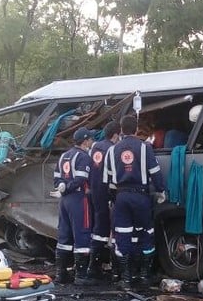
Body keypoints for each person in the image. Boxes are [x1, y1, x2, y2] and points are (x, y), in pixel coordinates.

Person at [103, 114, 166, 291]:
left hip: (121, 198)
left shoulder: (112, 150)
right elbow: (155, 172)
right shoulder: (145, 148)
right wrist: (161, 190)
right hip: (141, 197)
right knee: (146, 233)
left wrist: (113, 198)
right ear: (136, 127)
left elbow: (108, 180)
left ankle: (126, 278)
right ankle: (144, 275)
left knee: (122, 235)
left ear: (121, 129)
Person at [52, 128, 98, 286]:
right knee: (82, 234)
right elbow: (81, 179)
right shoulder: (84, 157)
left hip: (64, 200)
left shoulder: (64, 156)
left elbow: (56, 179)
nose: (92, 142)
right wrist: (71, 186)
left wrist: (63, 187)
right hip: (79, 199)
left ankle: (61, 273)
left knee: (64, 235)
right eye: (90, 139)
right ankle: (81, 275)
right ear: (85, 141)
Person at [87, 120, 121, 281]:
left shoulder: (94, 147)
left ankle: (94, 266)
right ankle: (115, 270)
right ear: (116, 135)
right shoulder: (113, 149)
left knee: (98, 229)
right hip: (108, 193)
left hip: (94, 192)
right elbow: (114, 174)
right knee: (114, 230)